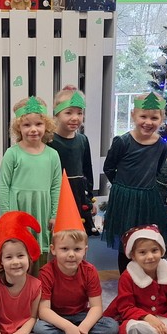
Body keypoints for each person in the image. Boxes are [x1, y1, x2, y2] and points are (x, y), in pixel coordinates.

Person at [34, 178, 124, 334]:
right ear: (53, 249)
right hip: (57, 321)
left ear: (85, 250)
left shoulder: (89, 271)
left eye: (77, 249)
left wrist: (82, 328)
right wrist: (68, 328)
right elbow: (44, 311)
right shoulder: (46, 272)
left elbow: (96, 307)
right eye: (64, 249)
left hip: (81, 317)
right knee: (38, 328)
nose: (71, 254)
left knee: (112, 326)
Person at [102, 92, 167, 273]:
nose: (148, 122)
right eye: (143, 116)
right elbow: (109, 167)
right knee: (126, 243)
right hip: (125, 200)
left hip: (148, 200)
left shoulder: (162, 145)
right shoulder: (122, 142)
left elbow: (157, 170)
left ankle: (145, 279)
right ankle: (126, 280)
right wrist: (122, 188)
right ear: (133, 115)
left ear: (161, 119)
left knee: (147, 240)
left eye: (154, 118)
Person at [0, 96, 62, 269]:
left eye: (38, 124)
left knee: (40, 255)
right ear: (18, 127)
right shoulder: (12, 153)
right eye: (27, 125)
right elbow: (3, 186)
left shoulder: (52, 155)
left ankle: (38, 283)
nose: (33, 129)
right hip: (18, 208)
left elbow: (56, 186)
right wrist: (6, 216)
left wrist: (54, 214)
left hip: (42, 209)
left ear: (46, 125)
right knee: (18, 250)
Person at [48, 86, 97, 236]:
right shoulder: (49, 141)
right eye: (68, 112)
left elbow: (87, 172)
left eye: (79, 113)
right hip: (57, 196)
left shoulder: (82, 140)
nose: (75, 118)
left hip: (78, 196)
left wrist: (90, 199)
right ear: (57, 113)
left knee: (78, 236)